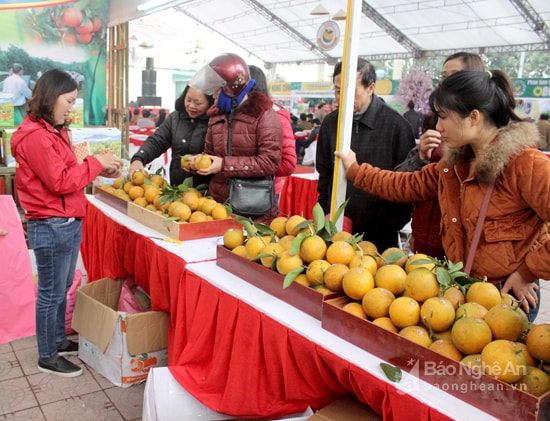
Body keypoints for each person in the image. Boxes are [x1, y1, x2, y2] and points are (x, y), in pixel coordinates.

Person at [336, 70, 545, 321]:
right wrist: (357, 170)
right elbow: (403, 184)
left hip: (507, 295)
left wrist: (527, 272)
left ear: (473, 118)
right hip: (464, 291)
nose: (438, 127)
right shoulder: (454, 166)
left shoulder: (526, 164)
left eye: (444, 117)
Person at [10, 68, 123, 377]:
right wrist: (95, 164)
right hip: (51, 223)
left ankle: (58, 340)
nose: (71, 108)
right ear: (51, 97)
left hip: (66, 219)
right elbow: (60, 181)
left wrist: (99, 169)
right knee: (50, 292)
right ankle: (47, 355)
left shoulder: (52, 130)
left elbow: (69, 169)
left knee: (59, 290)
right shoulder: (35, 137)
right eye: (69, 101)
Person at [316, 58, 415, 250]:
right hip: (336, 231)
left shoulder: (397, 127)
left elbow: (406, 186)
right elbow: (324, 175)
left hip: (379, 237)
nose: (341, 98)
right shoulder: (330, 124)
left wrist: (390, 224)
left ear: (370, 88)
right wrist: (325, 214)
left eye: (351, 92)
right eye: (338, 91)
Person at [395, 52, 485, 259]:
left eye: (454, 76)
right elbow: (404, 181)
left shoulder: (491, 143)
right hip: (426, 242)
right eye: (443, 77)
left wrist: (525, 270)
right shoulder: (433, 126)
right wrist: (421, 157)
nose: (446, 83)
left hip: (465, 254)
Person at [188, 53, 282, 224]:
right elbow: (209, 154)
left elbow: (270, 162)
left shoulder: (264, 115)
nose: (213, 95)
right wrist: (200, 163)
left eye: (217, 89)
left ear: (232, 87)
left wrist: (224, 165)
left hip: (253, 210)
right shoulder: (216, 117)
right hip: (218, 208)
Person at [129, 86, 214, 186]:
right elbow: (158, 141)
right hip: (176, 188)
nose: (191, 106)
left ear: (210, 103)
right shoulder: (175, 118)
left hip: (205, 193)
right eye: (188, 100)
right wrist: (139, 158)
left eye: (198, 103)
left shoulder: (214, 122)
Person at [248, 65, 296, 212]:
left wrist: (245, 167)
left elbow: (288, 163)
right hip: (232, 191)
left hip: (263, 192)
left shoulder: (276, 116)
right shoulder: (232, 114)